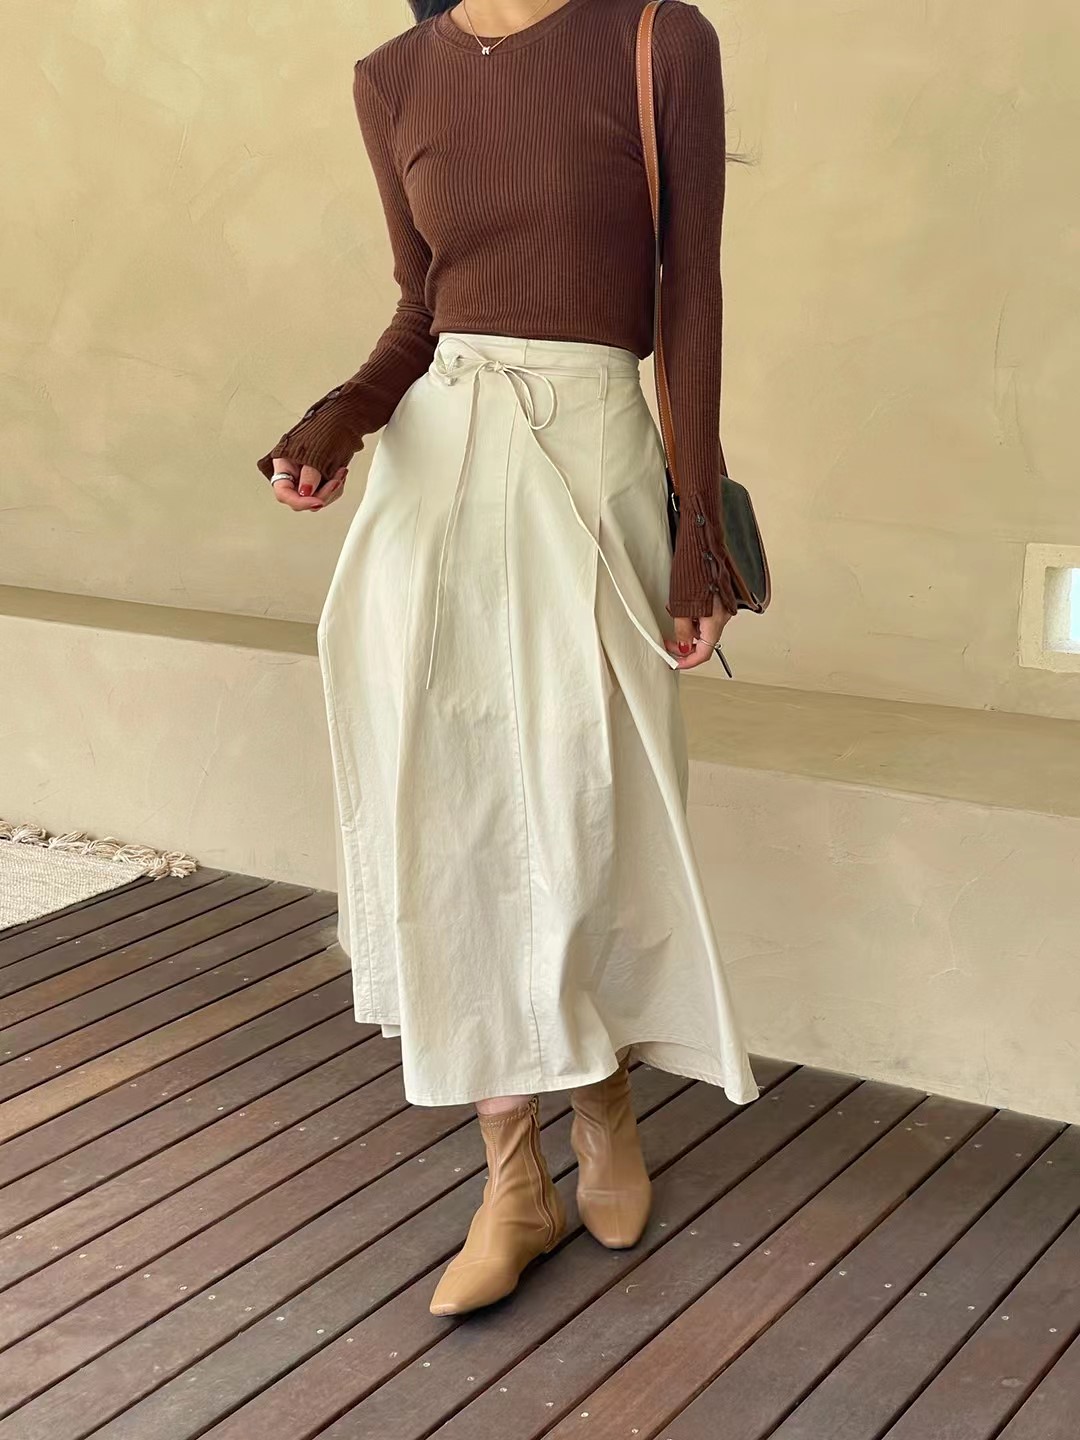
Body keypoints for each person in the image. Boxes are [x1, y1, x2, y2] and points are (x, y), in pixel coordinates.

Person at [255, 0, 758, 1318]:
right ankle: (512, 1178)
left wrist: (700, 539)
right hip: (435, 474)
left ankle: (601, 1097)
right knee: (452, 814)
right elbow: (421, 307)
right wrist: (343, 414)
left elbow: (691, 298)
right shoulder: (391, 77)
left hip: (591, 461)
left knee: (593, 793)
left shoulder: (657, 39)